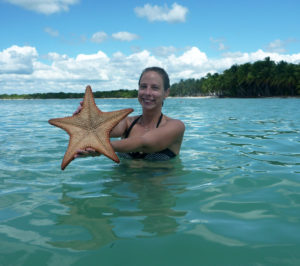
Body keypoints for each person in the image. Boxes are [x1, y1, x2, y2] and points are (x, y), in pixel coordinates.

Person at [74, 67, 185, 161]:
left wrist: (102, 147)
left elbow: (144, 143)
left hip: (160, 186)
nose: (147, 92)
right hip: (121, 184)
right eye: (143, 86)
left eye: (155, 88)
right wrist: (85, 118)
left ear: (166, 93)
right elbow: (97, 129)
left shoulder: (176, 126)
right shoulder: (127, 123)